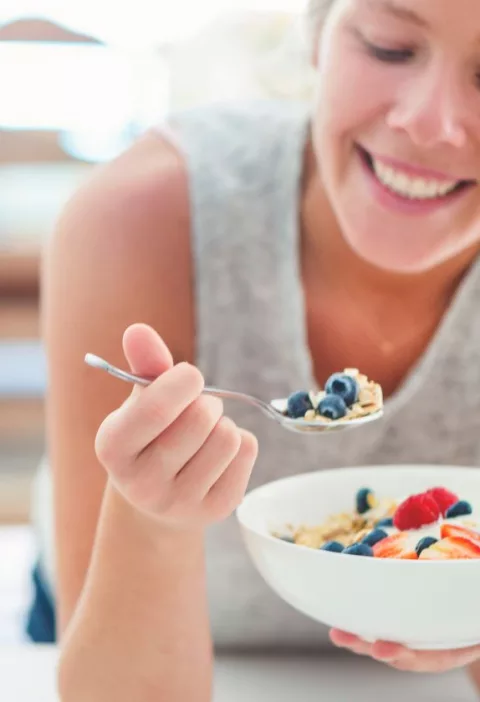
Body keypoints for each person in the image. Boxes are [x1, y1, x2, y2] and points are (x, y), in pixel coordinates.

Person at [31, 0, 480, 698]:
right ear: (316, 36)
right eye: (390, 47)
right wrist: (150, 521)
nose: (428, 121)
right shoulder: (145, 213)